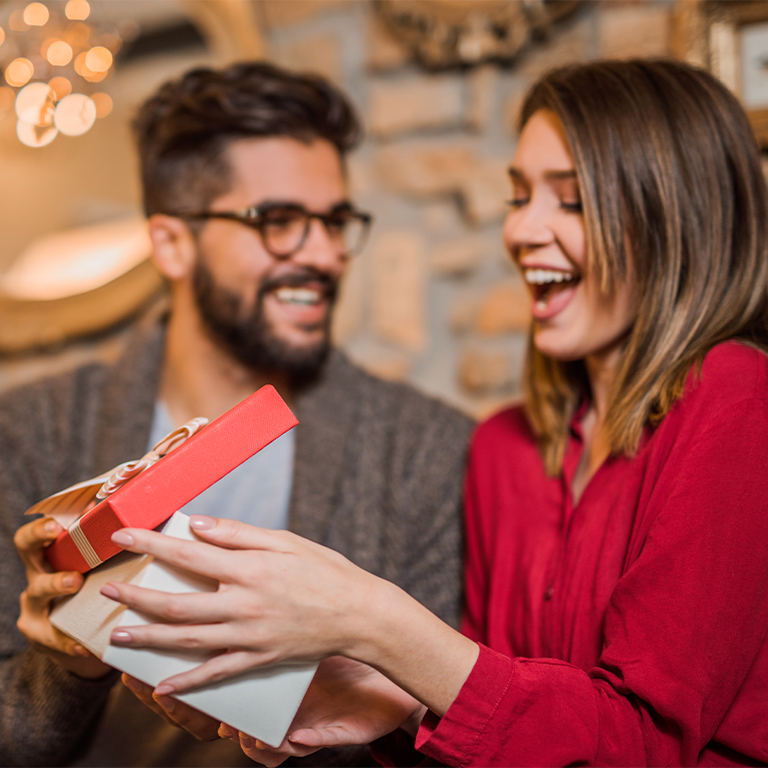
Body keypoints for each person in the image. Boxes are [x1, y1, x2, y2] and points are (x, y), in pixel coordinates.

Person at [97, 58, 768, 767]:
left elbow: (646, 746)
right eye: (518, 197)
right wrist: (394, 701)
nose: (524, 231)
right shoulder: (504, 450)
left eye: (571, 201)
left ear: (676, 220)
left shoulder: (736, 398)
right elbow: (504, 725)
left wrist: (374, 621)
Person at [0, 62, 473, 767]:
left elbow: (446, 735)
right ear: (172, 243)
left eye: (336, 221)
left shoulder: (427, 448)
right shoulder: (31, 429)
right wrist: (64, 666)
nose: (323, 255)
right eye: (277, 221)